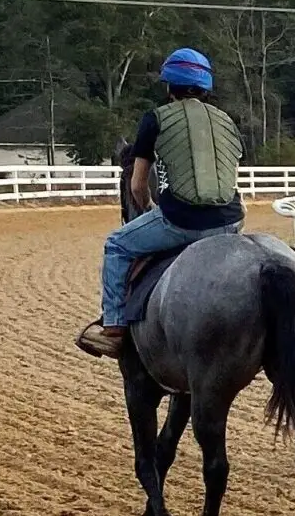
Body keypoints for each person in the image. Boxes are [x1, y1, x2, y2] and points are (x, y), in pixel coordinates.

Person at [76, 47, 245, 359]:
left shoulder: (155, 119)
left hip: (181, 221)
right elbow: (229, 178)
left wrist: (150, 208)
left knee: (116, 245)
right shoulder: (228, 122)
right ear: (206, 87)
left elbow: (138, 185)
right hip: (230, 222)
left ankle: (113, 329)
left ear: (169, 86)